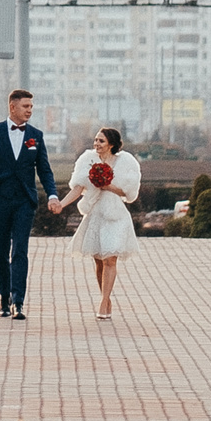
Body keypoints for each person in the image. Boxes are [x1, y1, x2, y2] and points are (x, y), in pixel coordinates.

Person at [0, 88, 57, 321]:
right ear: (12, 107)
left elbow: (44, 169)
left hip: (24, 202)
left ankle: (18, 302)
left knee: (20, 251)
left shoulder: (35, 135)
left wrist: (52, 195)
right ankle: (3, 298)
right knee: (0, 252)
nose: (30, 110)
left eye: (31, 106)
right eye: (26, 106)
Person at [49, 126, 141, 319]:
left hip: (115, 214)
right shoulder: (87, 159)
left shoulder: (126, 162)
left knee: (110, 257)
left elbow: (128, 192)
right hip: (96, 213)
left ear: (112, 144)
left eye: (101, 141)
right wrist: (61, 204)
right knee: (99, 261)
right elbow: (78, 188)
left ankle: (103, 301)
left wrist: (108, 186)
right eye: (96, 140)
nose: (96, 144)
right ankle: (106, 299)